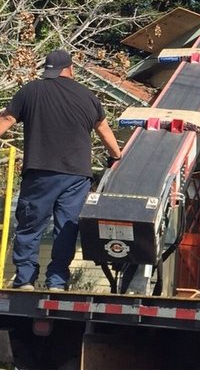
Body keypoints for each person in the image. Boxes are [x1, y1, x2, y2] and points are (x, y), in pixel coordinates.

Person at [0, 49, 123, 290]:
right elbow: (104, 130)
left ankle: (25, 279)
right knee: (66, 227)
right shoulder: (88, 97)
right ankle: (57, 281)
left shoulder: (31, 90)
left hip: (41, 172)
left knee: (31, 225)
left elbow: (5, 121)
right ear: (71, 69)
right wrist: (116, 155)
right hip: (77, 176)